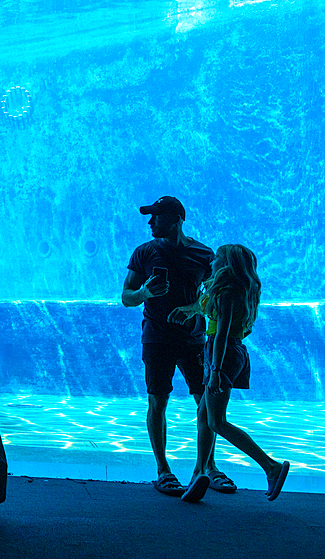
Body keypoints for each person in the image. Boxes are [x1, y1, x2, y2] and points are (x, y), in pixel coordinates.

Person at [121, 196, 232, 496]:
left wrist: (195, 308)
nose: (150, 222)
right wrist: (143, 292)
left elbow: (215, 296)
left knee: (206, 403)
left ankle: (208, 466)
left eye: (156, 216)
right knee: (157, 401)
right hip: (156, 338)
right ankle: (163, 470)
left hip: (193, 340)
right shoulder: (143, 253)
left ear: (177, 218)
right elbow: (125, 297)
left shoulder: (203, 255)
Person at [169, 244, 290, 502]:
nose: (212, 262)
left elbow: (221, 334)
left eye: (217, 259)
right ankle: (199, 474)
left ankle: (271, 466)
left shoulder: (227, 292)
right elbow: (209, 313)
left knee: (217, 421)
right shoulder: (236, 289)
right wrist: (190, 310)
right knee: (203, 413)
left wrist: (214, 369)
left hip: (221, 354)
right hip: (228, 352)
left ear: (227, 264)